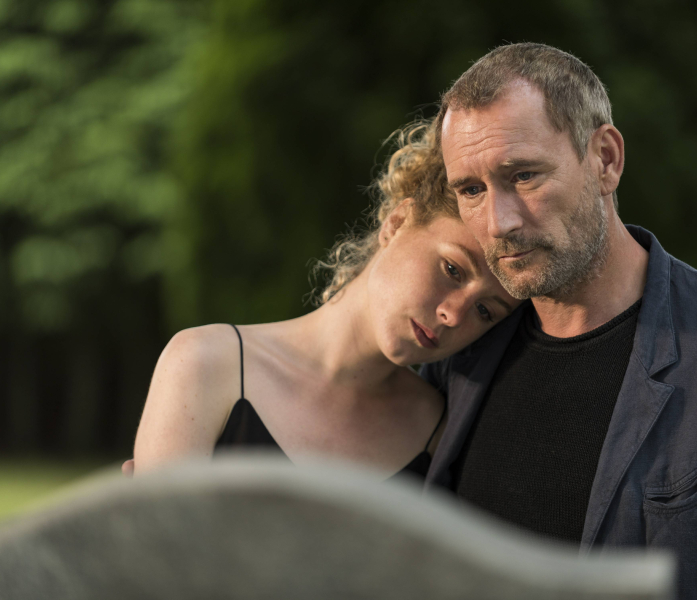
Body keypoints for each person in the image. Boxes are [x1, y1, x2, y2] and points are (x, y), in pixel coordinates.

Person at [422, 43, 697, 598]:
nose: (498, 222)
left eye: (524, 175)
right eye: (471, 190)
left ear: (605, 159)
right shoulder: (458, 355)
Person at [127, 121, 519, 479]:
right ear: (398, 223)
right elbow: (153, 535)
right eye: (452, 270)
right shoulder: (206, 362)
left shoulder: (440, 435)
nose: (453, 315)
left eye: (485, 310)